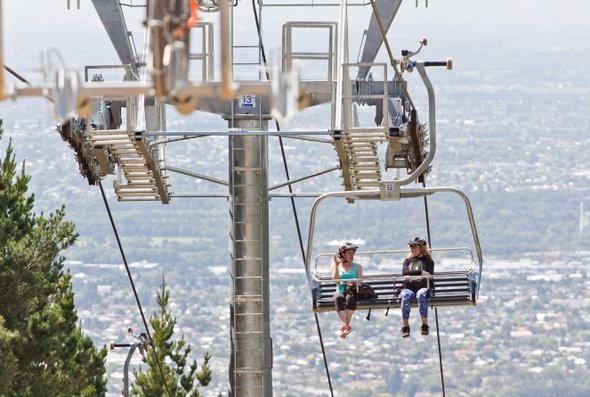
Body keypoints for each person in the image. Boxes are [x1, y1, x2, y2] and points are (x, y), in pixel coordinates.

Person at [400, 236, 435, 338]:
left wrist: (414, 274)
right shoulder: (408, 261)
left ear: (421, 248)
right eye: (411, 247)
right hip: (409, 288)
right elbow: (405, 272)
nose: (412, 249)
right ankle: (405, 326)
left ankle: (425, 325)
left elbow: (429, 275)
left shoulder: (428, 262)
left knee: (421, 294)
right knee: (405, 295)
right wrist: (420, 272)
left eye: (415, 247)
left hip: (424, 288)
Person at [331, 241, 363, 338]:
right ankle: (347, 326)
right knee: (338, 298)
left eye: (353, 253)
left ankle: (346, 326)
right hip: (340, 290)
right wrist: (336, 265)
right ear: (343, 254)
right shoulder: (336, 266)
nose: (351, 255)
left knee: (350, 299)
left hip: (352, 291)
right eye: (349, 253)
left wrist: (353, 283)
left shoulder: (358, 267)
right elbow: (335, 280)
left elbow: (360, 281)